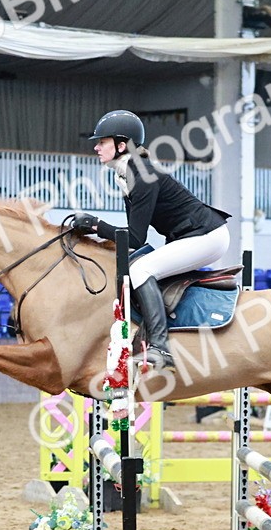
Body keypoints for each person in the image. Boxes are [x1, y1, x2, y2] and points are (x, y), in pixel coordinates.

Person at [72, 110, 232, 370]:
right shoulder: (126, 174)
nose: (96, 147)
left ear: (122, 145)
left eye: (102, 142)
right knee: (138, 263)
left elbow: (134, 238)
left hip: (207, 235)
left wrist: (95, 225)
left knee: (141, 268)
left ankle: (160, 346)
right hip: (193, 236)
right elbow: (132, 237)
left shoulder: (142, 175)